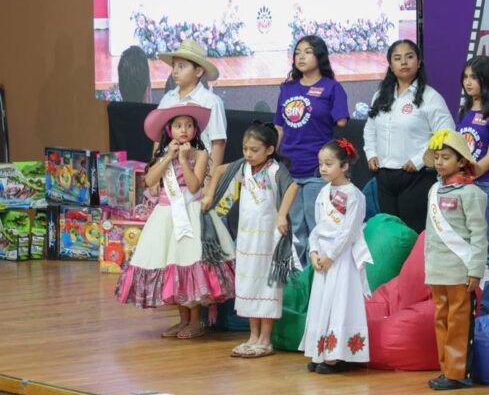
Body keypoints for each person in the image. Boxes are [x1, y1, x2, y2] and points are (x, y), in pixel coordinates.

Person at [115, 103, 236, 339]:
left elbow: (194, 185)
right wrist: (169, 157)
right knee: (173, 263)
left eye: (189, 125)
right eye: (179, 125)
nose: (184, 130)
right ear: (170, 130)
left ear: (195, 130)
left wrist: (183, 159)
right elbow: (150, 180)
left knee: (190, 262)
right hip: (166, 215)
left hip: (191, 214)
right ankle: (183, 320)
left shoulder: (200, 154)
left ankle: (196, 322)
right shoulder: (163, 154)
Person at [203, 122, 298, 358]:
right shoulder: (243, 167)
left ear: (269, 149)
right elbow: (219, 171)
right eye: (245, 148)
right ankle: (253, 336)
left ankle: (265, 339)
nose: (248, 154)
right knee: (248, 285)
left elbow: (292, 187)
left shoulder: (275, 169)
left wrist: (282, 215)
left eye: (254, 150)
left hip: (267, 241)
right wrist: (209, 195)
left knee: (266, 286)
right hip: (246, 239)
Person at [364, 40, 455, 233]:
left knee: (413, 234)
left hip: (416, 177)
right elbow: (370, 129)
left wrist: (420, 160)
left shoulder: (430, 97)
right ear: (391, 65)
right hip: (384, 176)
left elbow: (446, 134)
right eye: (397, 58)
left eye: (410, 57)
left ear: (419, 62)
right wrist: (371, 153)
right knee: (390, 235)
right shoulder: (381, 96)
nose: (404, 62)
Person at [275, 36, 349, 266]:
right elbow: (279, 127)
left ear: (320, 55)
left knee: (318, 226)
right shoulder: (287, 89)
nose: (301, 57)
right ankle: (301, 277)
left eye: (308, 52)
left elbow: (342, 120)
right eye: (297, 52)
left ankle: (318, 276)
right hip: (289, 168)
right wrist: (273, 159)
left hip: (318, 169)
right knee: (295, 228)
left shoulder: (331, 87)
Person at [300, 139, 373, 374]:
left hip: (341, 259)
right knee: (322, 302)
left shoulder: (355, 195)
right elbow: (317, 226)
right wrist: (314, 251)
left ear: (344, 166)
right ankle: (320, 351)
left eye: (329, 164)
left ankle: (336, 356)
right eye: (321, 163)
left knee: (339, 302)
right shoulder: (323, 192)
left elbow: (349, 231)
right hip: (323, 257)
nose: (323, 168)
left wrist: (330, 256)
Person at [423, 130, 488, 390]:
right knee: (441, 319)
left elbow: (478, 234)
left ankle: (457, 372)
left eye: (446, 157)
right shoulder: (434, 190)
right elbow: (431, 234)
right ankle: (445, 369)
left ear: (461, 161)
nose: (439, 162)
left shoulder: (471, 193)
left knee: (458, 321)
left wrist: (476, 270)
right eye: (437, 157)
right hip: (438, 269)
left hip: (460, 270)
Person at [456, 56, 489, 315]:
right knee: (466, 249)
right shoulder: (464, 111)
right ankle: (468, 310)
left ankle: (487, 314)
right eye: (466, 77)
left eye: (474, 78)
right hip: (463, 188)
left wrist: (466, 175)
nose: (468, 82)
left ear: (486, 80)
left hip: (487, 188)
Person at [158, 40, 227, 169]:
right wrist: (154, 167)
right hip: (169, 173)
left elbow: (218, 144)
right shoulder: (167, 99)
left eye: (181, 66)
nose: (175, 71)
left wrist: (210, 178)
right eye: (174, 66)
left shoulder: (211, 101)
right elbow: (158, 139)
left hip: (198, 173)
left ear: (198, 71)